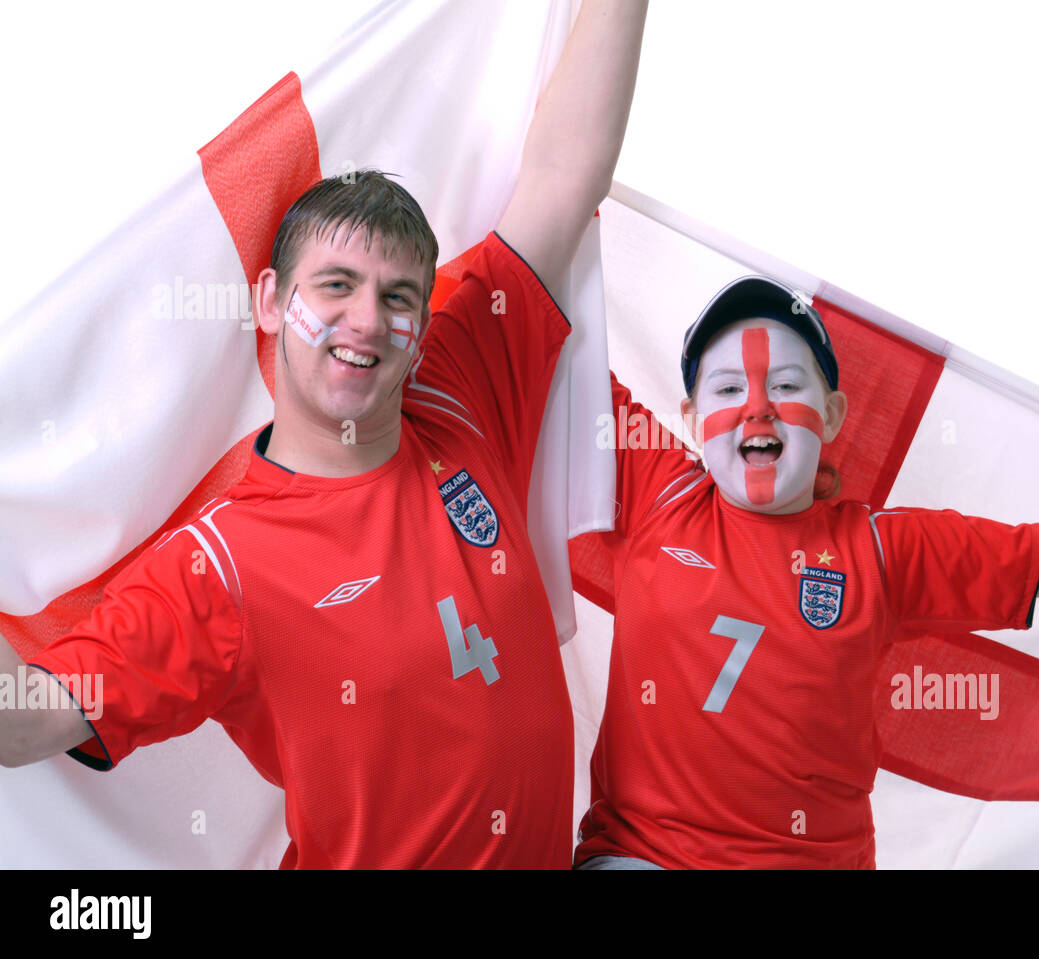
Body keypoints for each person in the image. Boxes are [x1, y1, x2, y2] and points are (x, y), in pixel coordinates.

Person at [0, 0, 649, 869]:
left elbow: (566, 172)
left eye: (396, 296)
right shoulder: (216, 568)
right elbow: (29, 715)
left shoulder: (464, 392)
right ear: (269, 300)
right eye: (335, 284)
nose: (366, 321)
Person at [572, 275, 1039, 869]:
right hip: (643, 859)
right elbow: (550, 322)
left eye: (784, 384)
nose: (756, 405)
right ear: (689, 414)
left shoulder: (883, 551)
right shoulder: (656, 489)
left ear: (831, 414)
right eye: (727, 390)